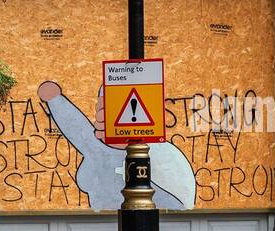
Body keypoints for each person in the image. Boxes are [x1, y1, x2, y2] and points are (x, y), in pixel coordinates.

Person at [36, 80, 196, 210]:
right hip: (100, 229)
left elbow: (177, 202)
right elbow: (76, 127)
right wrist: (55, 101)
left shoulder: (159, 154)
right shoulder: (96, 148)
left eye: (110, 108)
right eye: (101, 106)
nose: (100, 113)